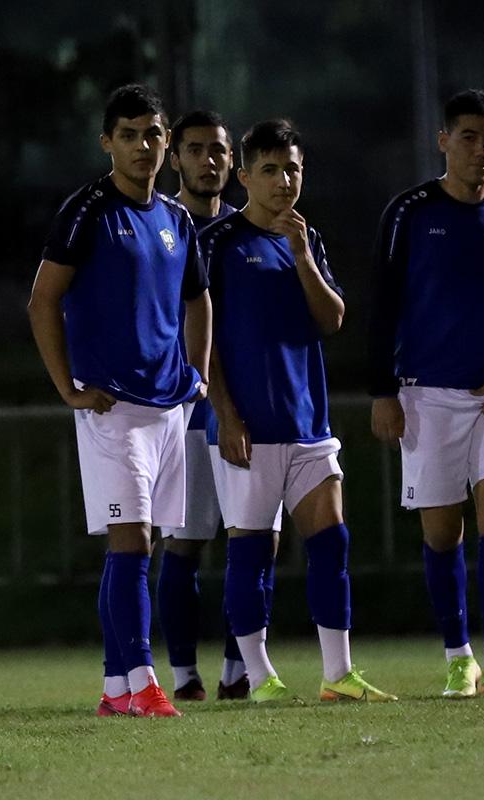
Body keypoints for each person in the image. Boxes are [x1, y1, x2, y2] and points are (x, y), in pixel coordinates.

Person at [368, 89, 484, 697]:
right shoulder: (409, 212)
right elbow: (382, 306)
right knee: (442, 531)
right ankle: (460, 657)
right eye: (470, 137)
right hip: (426, 393)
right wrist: (382, 391)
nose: (483, 149)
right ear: (443, 141)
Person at [28, 84, 210, 717]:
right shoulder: (87, 210)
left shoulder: (177, 219)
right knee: (130, 542)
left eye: (152, 134)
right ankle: (145, 683)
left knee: (141, 544)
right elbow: (42, 299)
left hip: (168, 404)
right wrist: (68, 388)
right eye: (128, 135)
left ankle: (114, 689)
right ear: (107, 142)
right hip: (112, 407)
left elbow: (198, 298)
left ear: (167, 142)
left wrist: (197, 373)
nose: (142, 146)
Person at [204, 119, 395, 703]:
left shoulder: (305, 239)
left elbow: (332, 318)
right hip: (248, 429)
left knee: (332, 542)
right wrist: (226, 415)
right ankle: (259, 677)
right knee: (251, 552)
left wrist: (302, 254)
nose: (283, 181)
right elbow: (198, 338)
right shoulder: (217, 242)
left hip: (307, 423)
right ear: (244, 178)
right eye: (270, 170)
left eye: (292, 170)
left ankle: (338, 674)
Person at [158, 110, 282, 702]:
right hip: (186, 412)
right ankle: (184, 674)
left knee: (257, 540)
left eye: (219, 150)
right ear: (175, 158)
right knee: (185, 540)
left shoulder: (245, 229)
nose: (209, 161)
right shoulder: (162, 226)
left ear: (234, 162)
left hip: (247, 411)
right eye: (195, 149)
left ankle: (238, 668)